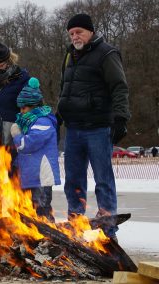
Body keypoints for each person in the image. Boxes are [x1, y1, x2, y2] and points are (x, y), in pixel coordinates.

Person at [57, 14, 131, 240]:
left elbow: (119, 87)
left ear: (90, 32)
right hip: (74, 129)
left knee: (103, 179)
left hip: (98, 128)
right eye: (71, 33)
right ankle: (76, 225)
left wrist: (120, 118)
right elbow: (65, 90)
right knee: (73, 181)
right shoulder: (70, 55)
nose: (75, 36)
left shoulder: (107, 53)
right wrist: (58, 117)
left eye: (79, 31)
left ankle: (108, 231)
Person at [10, 78, 60, 222]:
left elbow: (28, 145)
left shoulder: (43, 122)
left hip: (41, 178)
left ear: (33, 106)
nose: (21, 112)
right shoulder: (29, 123)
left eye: (24, 108)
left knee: (42, 211)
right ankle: (33, 240)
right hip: (30, 176)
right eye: (20, 108)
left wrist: (17, 135)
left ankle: (48, 238)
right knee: (29, 211)